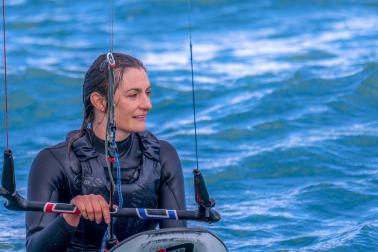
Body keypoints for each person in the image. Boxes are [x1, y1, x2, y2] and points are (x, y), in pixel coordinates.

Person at [25, 52, 186, 251]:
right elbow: (34, 248)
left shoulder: (162, 156)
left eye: (148, 92)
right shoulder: (54, 162)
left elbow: (178, 242)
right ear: (99, 101)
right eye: (133, 95)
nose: (147, 104)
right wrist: (70, 215)